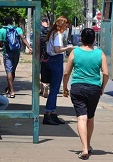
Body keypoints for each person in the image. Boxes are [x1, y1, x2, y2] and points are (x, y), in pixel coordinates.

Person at [62, 28, 109, 160]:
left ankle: (84, 149)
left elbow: (66, 73)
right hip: (94, 88)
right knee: (90, 117)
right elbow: (106, 74)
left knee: (81, 117)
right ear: (94, 39)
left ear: (81, 39)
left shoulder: (75, 52)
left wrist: (65, 87)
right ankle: (87, 145)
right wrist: (102, 87)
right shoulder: (100, 53)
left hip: (77, 88)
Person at [43, 16, 74, 125]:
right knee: (55, 89)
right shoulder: (58, 35)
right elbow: (57, 50)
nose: (67, 27)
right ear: (61, 25)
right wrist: (68, 48)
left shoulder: (52, 34)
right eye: (66, 25)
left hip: (50, 61)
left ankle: (53, 113)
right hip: (56, 60)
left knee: (54, 88)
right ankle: (48, 113)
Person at [0, 16, 32, 98]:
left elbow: (1, 42)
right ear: (12, 21)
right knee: (13, 70)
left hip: (7, 52)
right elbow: (23, 38)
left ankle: (12, 91)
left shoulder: (1, 30)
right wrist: (29, 47)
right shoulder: (17, 29)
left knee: (8, 71)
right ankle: (9, 88)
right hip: (16, 52)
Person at [40, 16, 51, 98]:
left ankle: (43, 85)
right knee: (49, 69)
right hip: (50, 52)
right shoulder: (51, 30)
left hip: (40, 52)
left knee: (41, 69)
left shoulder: (39, 29)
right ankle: (47, 84)